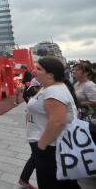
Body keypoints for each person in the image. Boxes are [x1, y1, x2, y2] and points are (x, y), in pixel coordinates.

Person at [26, 57, 81, 189]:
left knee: (49, 183)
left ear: (50, 74)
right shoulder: (49, 87)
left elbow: (57, 121)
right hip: (51, 146)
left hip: (51, 147)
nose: (34, 71)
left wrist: (41, 145)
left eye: (39, 69)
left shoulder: (54, 91)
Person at [18, 77, 41, 189]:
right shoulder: (38, 100)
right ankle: (24, 179)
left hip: (34, 134)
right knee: (38, 159)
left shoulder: (34, 98)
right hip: (37, 136)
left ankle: (24, 179)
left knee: (35, 158)